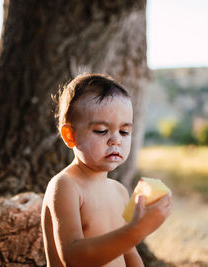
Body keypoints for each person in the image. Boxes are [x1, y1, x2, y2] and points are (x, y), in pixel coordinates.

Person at [41, 73, 172, 266]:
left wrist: (134, 234)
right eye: (101, 130)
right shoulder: (65, 186)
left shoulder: (119, 191)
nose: (116, 140)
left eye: (124, 131)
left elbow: (129, 253)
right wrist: (136, 231)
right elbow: (72, 257)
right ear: (70, 136)